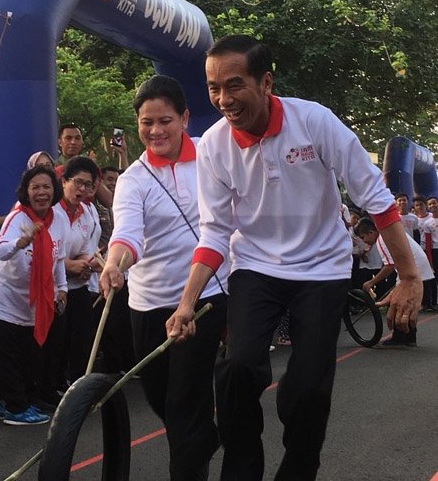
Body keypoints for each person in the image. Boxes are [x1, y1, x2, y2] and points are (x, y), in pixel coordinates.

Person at [166, 35, 422, 481]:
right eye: (213, 88)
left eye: (234, 85)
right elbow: (214, 232)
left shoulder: (315, 122)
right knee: (239, 367)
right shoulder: (212, 146)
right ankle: (241, 469)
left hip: (322, 268)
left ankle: (300, 466)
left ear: (266, 82)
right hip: (255, 266)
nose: (223, 99)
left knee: (305, 389)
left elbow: (375, 200)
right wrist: (187, 301)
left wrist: (410, 275)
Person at [100, 75, 229, 481]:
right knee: (161, 399)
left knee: (183, 403)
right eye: (146, 122)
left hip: (205, 298)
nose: (155, 131)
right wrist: (114, 264)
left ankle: (190, 466)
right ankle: (204, 439)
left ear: (185, 118)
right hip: (146, 303)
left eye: (165, 121)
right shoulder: (132, 180)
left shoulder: (212, 159)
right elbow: (126, 234)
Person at [0, 166, 68, 425]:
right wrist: (21, 243)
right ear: (26, 191)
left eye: (46, 186)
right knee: (8, 357)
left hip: (31, 302)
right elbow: (0, 251)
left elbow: (58, 258)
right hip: (1, 297)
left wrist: (63, 289)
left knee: (26, 356)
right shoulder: (17, 218)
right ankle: (16, 408)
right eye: (35, 187)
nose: (41, 192)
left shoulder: (58, 220)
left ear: (54, 190)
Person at [55, 156, 102, 383]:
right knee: (58, 340)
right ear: (64, 181)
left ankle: (78, 384)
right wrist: (70, 265)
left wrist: (84, 264)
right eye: (77, 182)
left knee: (82, 336)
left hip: (77, 283)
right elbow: (40, 255)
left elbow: (85, 248)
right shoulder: (51, 210)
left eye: (88, 185)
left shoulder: (86, 212)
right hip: (53, 285)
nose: (82, 189)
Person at [355, 217, 434, 347]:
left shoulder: (382, 240)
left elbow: (389, 266)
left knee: (399, 301)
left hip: (412, 267)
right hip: (416, 264)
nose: (364, 241)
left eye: (363, 237)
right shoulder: (388, 233)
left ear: (371, 233)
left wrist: (371, 282)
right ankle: (408, 336)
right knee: (405, 301)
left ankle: (401, 337)